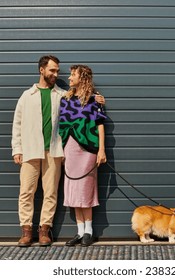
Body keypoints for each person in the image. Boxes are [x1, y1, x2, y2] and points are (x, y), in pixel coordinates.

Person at [11, 56, 105, 247]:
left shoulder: (63, 95)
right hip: (30, 151)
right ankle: (26, 231)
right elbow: (17, 124)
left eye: (57, 71)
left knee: (51, 192)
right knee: (26, 192)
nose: (56, 74)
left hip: (54, 152)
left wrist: (98, 98)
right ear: (41, 70)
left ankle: (44, 230)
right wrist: (17, 149)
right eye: (52, 70)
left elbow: (85, 99)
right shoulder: (26, 96)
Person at [58, 65, 107, 247]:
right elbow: (61, 127)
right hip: (70, 148)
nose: (69, 78)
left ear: (83, 78)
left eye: (73, 75)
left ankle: (89, 231)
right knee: (73, 189)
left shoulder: (95, 100)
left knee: (85, 188)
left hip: (88, 149)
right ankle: (79, 232)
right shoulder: (65, 99)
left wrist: (101, 150)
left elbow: (100, 125)